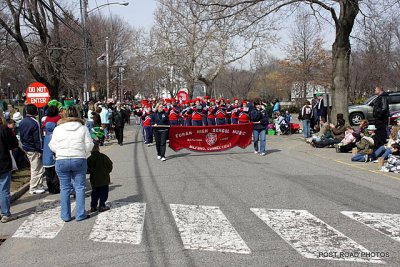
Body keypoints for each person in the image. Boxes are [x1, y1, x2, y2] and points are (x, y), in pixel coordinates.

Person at [49, 106, 94, 222]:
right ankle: (80, 214)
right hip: (78, 158)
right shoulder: (83, 128)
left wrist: (59, 151)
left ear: (64, 115)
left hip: (62, 159)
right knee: (79, 187)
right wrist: (83, 152)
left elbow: (52, 145)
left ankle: (65, 215)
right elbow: (89, 145)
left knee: (64, 188)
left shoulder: (58, 129)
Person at [19, 104, 46, 194]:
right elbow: (37, 138)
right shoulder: (35, 122)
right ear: (36, 112)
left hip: (26, 147)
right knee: (36, 168)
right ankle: (33, 187)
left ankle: (39, 184)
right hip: (34, 148)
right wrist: (39, 150)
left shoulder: (22, 122)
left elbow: (21, 136)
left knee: (36, 167)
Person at [0, 122, 19, 223]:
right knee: (4, 189)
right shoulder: (3, 129)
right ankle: (5, 213)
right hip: (3, 161)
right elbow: (13, 144)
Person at [87, 142, 113, 213]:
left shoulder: (89, 159)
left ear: (90, 150)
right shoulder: (104, 156)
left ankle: (93, 206)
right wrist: (107, 171)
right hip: (104, 179)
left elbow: (87, 170)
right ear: (98, 148)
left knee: (94, 193)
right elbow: (110, 166)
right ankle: (102, 205)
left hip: (94, 180)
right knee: (103, 193)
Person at [42, 122, 60, 194]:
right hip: (52, 159)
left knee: (48, 176)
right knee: (55, 175)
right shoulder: (54, 136)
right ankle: (56, 188)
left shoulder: (45, 136)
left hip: (45, 159)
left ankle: (50, 189)